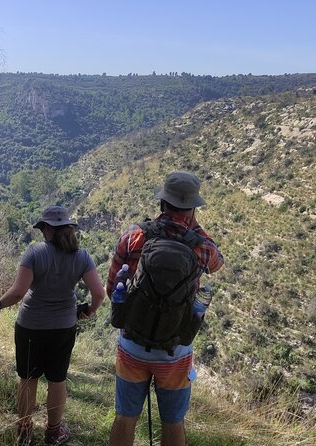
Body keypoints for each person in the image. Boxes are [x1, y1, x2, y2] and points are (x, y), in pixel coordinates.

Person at [106, 171, 224, 446]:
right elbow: (219, 263)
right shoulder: (202, 247)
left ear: (162, 203)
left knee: (125, 417)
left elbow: (113, 290)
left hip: (132, 344)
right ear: (193, 208)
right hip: (176, 350)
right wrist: (194, 230)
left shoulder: (133, 237)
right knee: (173, 421)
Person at [0, 205, 105, 446]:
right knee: (57, 379)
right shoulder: (81, 257)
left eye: (43, 228)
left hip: (31, 324)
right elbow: (99, 293)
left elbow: (19, 292)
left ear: (48, 229)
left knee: (28, 378)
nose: (42, 232)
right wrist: (89, 311)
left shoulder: (34, 253)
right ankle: (53, 432)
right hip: (63, 326)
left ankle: (24, 431)